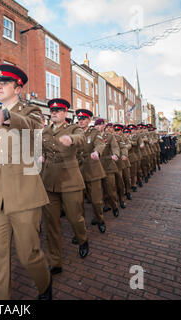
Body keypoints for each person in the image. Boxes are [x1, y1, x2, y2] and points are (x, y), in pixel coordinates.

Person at [0, 64, 51, 300]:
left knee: (28, 255)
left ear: (18, 88)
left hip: (24, 193)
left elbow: (34, 126)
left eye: (4, 83)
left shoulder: (31, 111)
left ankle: (45, 285)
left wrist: (7, 116)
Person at [41, 100, 89, 274]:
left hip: (70, 179)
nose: (54, 113)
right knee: (51, 223)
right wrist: (41, 157)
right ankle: (55, 261)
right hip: (49, 180)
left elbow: (82, 138)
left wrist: (71, 139)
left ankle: (82, 239)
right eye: (52, 110)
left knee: (75, 217)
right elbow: (41, 149)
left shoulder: (73, 128)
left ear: (66, 113)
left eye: (58, 110)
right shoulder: (45, 131)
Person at [76, 109, 107, 234]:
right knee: (78, 203)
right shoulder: (74, 131)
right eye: (79, 119)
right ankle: (80, 229)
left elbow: (100, 144)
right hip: (77, 170)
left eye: (84, 119)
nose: (81, 121)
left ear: (89, 120)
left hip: (92, 169)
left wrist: (96, 152)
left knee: (96, 200)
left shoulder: (94, 132)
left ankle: (100, 219)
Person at [95, 119, 120, 218]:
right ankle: (98, 213)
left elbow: (115, 147)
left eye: (100, 125)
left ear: (104, 126)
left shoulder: (109, 136)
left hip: (108, 165)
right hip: (95, 166)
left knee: (110, 189)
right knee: (97, 192)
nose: (98, 127)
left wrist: (115, 155)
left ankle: (114, 206)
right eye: (96, 125)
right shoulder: (92, 136)